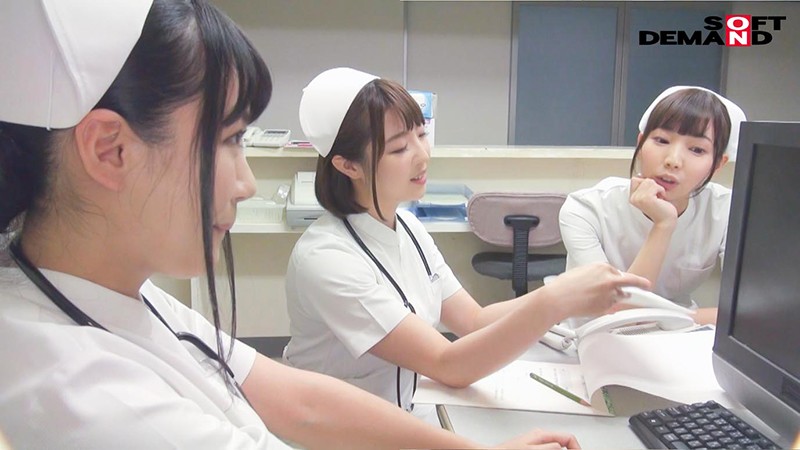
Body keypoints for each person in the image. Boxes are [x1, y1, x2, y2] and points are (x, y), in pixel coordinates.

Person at [0, 2, 583, 449]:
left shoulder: (120, 294)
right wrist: (558, 299)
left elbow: (294, 398)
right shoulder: (84, 395)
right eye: (230, 140)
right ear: (111, 150)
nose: (246, 183)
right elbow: (444, 363)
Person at [282, 67, 649, 423]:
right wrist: (555, 301)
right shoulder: (327, 259)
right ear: (348, 166)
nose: (423, 156)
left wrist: (563, 293)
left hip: (409, 416)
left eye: (421, 135)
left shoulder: (408, 227)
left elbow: (474, 321)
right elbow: (447, 365)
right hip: (340, 433)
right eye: (399, 148)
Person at [559, 86, 746, 325]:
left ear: (718, 164)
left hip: (680, 335)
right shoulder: (587, 208)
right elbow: (619, 311)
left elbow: (751, 309)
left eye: (697, 149)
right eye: (661, 140)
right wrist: (664, 224)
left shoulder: (727, 210)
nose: (673, 161)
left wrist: (675, 318)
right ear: (640, 144)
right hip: (590, 336)